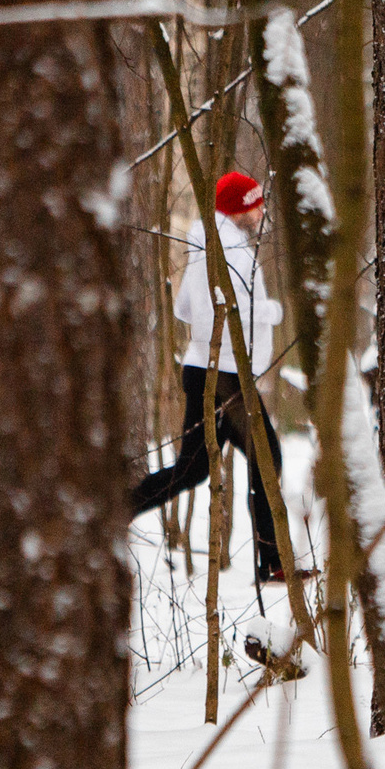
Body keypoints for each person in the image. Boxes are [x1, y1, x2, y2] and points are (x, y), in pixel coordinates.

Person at [131, 171, 290, 584]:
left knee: (192, 470)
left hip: (206, 370)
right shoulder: (232, 253)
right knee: (266, 459)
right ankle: (271, 563)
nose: (259, 212)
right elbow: (230, 309)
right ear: (239, 210)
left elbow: (185, 309)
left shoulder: (204, 248)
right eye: (254, 205)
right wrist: (272, 312)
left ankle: (117, 509)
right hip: (227, 377)